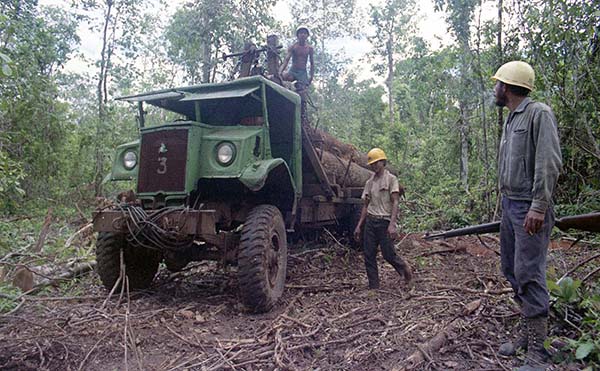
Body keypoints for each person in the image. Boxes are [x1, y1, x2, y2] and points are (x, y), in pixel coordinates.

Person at [492, 61, 562, 370]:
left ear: (506, 87)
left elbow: (548, 162)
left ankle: (539, 351)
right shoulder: (511, 119)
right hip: (510, 205)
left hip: (528, 207)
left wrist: (539, 206)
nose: (495, 88)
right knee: (511, 268)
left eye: (497, 84)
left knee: (529, 273)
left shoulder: (539, 114)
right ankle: (527, 334)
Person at [353, 148, 412, 290]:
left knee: (388, 254)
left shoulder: (391, 179)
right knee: (369, 254)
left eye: (376, 163)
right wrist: (359, 225)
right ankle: (374, 286)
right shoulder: (369, 183)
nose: (374, 166)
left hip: (385, 221)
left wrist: (392, 224)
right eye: (372, 164)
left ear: (383, 162)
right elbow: (366, 206)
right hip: (371, 221)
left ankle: (404, 269)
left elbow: (396, 202)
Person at [280, 26, 314, 90]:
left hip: (302, 72)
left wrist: (311, 77)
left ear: (307, 35)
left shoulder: (310, 48)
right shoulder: (293, 47)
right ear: (298, 35)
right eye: (301, 33)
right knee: (281, 77)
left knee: (302, 90)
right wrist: (280, 72)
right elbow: (286, 60)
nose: (303, 35)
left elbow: (312, 63)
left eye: (304, 33)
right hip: (293, 71)